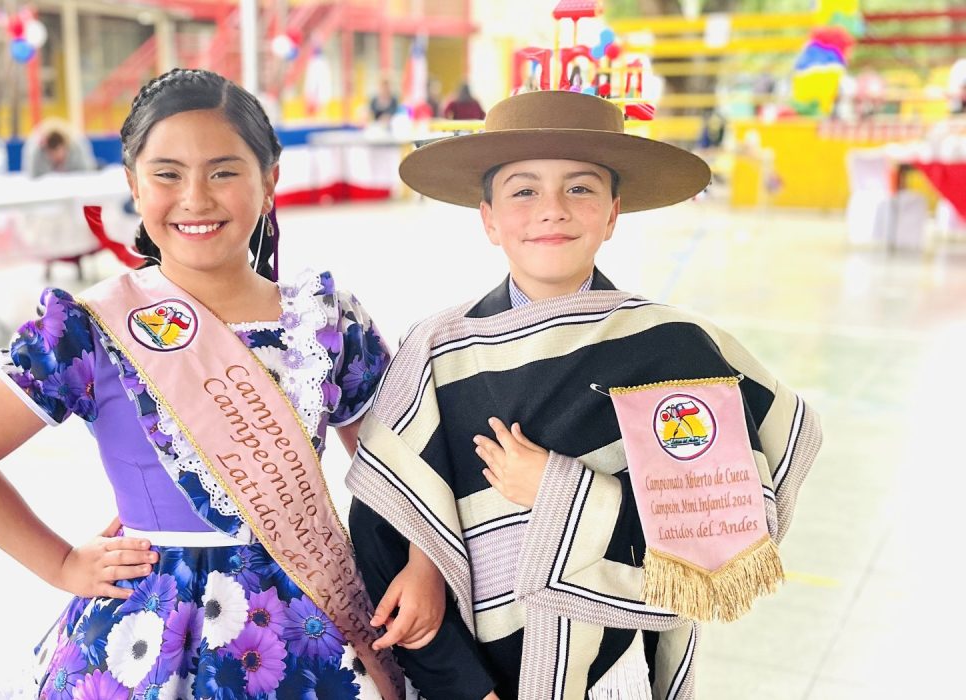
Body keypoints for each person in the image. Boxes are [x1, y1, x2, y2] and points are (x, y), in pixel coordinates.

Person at [0, 68, 428, 699]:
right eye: (167, 174)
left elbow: (394, 469)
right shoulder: (89, 327)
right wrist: (60, 563)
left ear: (269, 182)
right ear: (133, 184)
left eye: (224, 171)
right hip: (148, 635)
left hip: (305, 625)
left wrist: (422, 566)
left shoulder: (326, 320)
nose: (195, 197)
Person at [346, 90, 822, 699]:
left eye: (580, 188)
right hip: (474, 673)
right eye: (523, 190)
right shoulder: (438, 352)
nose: (552, 210)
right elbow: (384, 523)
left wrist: (559, 494)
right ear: (488, 218)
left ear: (613, 213)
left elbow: (719, 539)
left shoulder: (669, 350)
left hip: (614, 670)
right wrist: (463, 681)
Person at [23, 117, 97, 177]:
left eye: (58, 152)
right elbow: (33, 177)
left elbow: (87, 174)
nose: (56, 158)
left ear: (66, 146)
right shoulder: (36, 152)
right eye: (52, 154)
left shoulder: (77, 147)